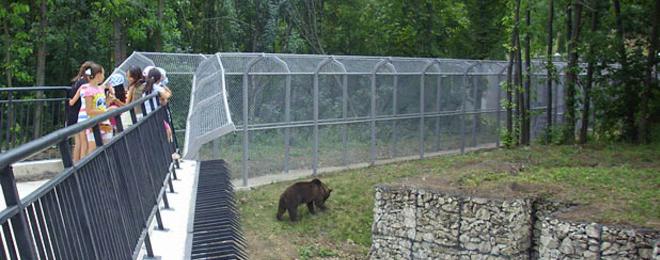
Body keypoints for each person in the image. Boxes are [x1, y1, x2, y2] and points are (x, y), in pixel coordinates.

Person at [80, 63, 115, 154]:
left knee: (107, 149)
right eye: (103, 74)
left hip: (105, 123)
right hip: (95, 124)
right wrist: (106, 111)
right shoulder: (89, 91)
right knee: (93, 151)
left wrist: (108, 101)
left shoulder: (101, 89)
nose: (104, 77)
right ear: (98, 75)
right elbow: (89, 111)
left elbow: (101, 106)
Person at [67, 61, 93, 162]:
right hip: (80, 114)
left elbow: (71, 101)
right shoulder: (86, 84)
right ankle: (79, 164)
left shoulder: (78, 81)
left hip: (74, 114)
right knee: (83, 142)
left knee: (78, 142)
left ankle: (75, 163)